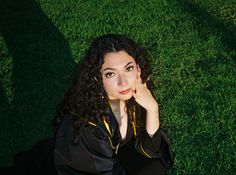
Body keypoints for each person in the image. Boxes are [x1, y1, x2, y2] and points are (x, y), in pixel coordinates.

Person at [52, 34, 174, 175]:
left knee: (155, 166)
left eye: (128, 69)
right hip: (89, 164)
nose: (123, 83)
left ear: (138, 69)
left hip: (114, 157)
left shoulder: (137, 97)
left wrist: (153, 109)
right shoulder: (88, 124)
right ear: (97, 78)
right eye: (110, 74)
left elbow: (150, 149)